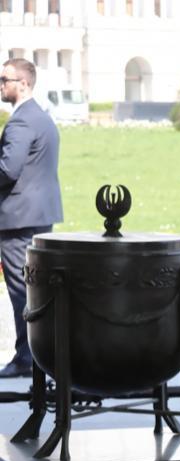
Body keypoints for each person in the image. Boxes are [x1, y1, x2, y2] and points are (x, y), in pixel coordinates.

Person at [0, 58, 63, 379]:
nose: (1, 85)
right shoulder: (42, 117)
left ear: (23, 83)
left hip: (17, 219)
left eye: (5, 79)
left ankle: (27, 358)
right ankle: (38, 357)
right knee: (33, 288)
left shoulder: (21, 122)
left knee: (21, 291)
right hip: (38, 217)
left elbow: (8, 169)